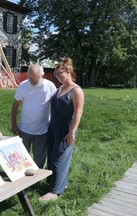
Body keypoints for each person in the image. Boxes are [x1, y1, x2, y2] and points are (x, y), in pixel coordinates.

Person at [38, 58, 85, 201]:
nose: (58, 77)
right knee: (52, 157)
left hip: (66, 129)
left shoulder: (76, 90)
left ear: (68, 72)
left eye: (60, 74)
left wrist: (72, 132)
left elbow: (78, 112)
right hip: (53, 128)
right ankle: (59, 183)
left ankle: (54, 192)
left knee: (59, 158)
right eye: (56, 75)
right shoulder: (60, 89)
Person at [11, 64, 57, 168]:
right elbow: (15, 105)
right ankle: (21, 178)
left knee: (39, 159)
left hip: (42, 130)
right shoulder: (23, 85)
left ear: (42, 75)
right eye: (29, 77)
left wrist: (54, 126)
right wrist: (14, 124)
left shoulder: (50, 86)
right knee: (21, 157)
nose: (32, 80)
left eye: (35, 78)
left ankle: (36, 180)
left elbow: (55, 107)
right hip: (24, 129)